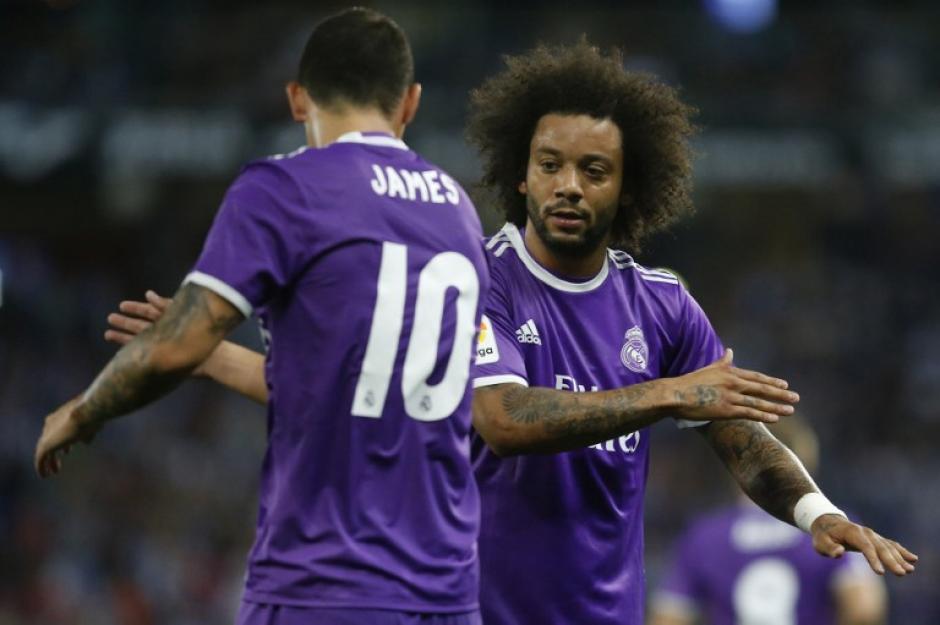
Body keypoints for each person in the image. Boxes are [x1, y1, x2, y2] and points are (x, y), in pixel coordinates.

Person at [103, 42, 916, 625]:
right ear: (518, 172)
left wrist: (816, 510)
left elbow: (738, 435)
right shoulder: (476, 274)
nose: (568, 185)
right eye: (549, 163)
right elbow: (502, 417)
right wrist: (668, 393)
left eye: (593, 170)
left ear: (628, 186)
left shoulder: (662, 304)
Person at [35, 8, 491, 625]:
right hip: (446, 593)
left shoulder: (287, 188)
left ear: (298, 99)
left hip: (326, 583)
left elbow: (171, 348)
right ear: (409, 102)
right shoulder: (458, 213)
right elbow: (362, 386)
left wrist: (84, 410)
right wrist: (216, 356)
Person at [649, 415, 888, 625]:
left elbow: (667, 619)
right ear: (801, 468)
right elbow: (863, 610)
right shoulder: (832, 529)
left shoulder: (704, 537)